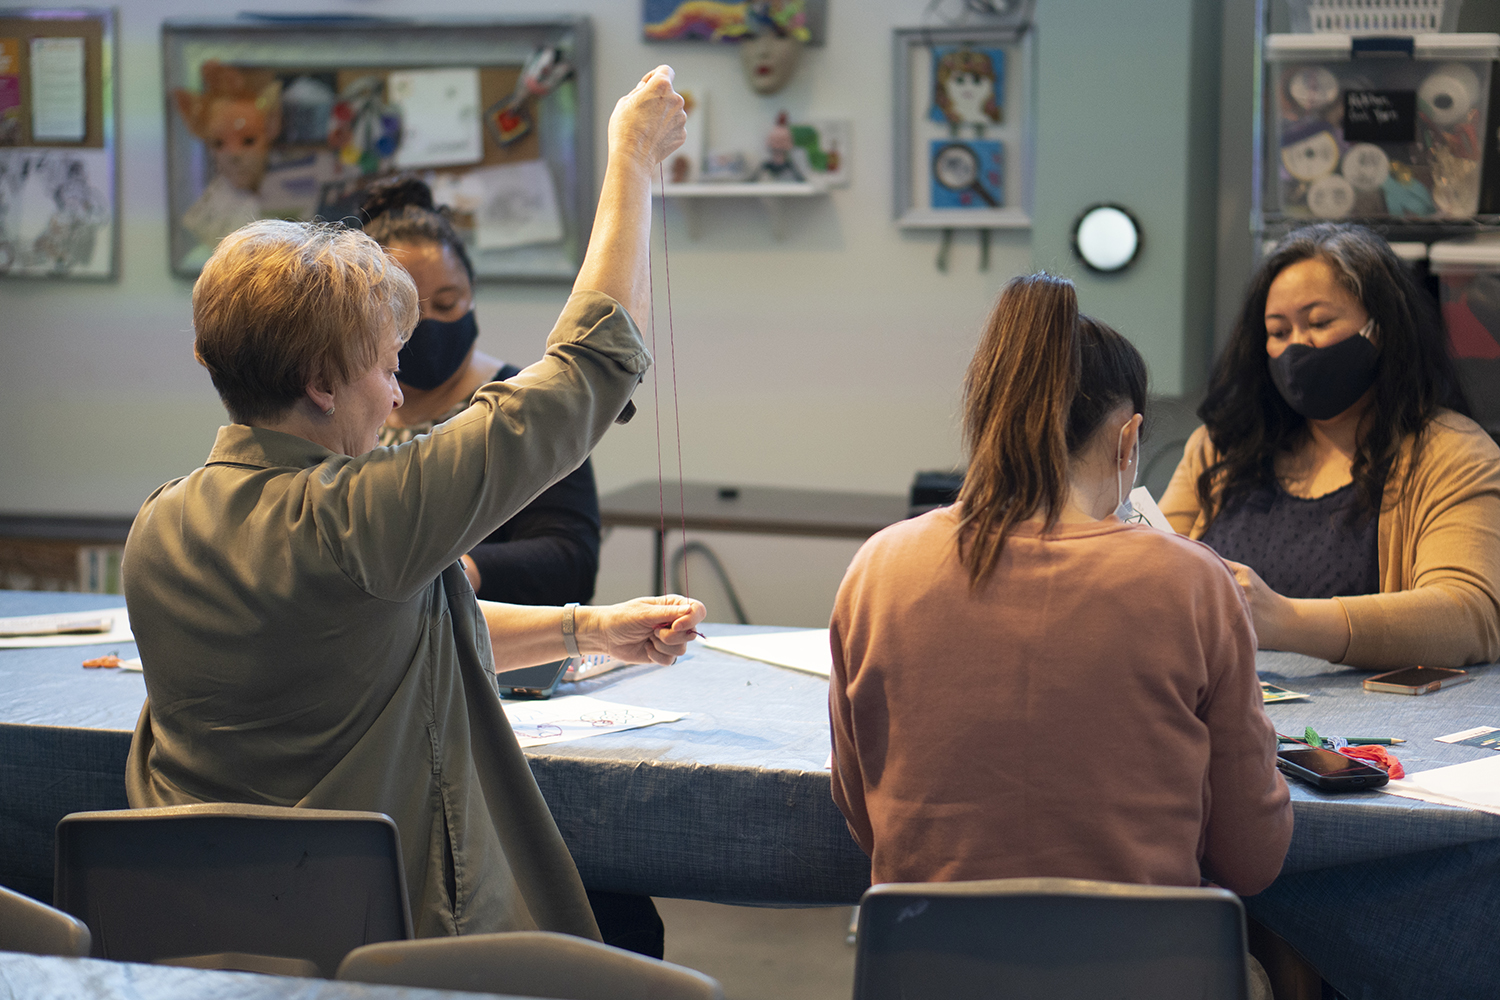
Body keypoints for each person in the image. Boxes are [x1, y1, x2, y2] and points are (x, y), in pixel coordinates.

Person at [123, 67, 703, 941]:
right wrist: (630, 156)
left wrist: (588, 630)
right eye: (387, 366)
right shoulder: (363, 519)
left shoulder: (160, 525)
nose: (398, 396)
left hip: (205, 943)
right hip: (386, 946)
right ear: (322, 382)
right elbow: (594, 364)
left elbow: (388, 634)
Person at [829, 274, 1291, 902]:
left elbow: (866, 818)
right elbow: (1250, 859)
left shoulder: (878, 569)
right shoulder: (1191, 583)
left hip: (924, 971)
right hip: (1145, 973)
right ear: (1128, 440)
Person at [1161, 223, 1500, 668]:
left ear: (1382, 329)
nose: (1297, 347)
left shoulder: (1453, 453)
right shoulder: (1221, 447)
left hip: (1375, 730)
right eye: (1278, 332)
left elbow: (1469, 616)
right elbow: (1153, 566)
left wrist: (1284, 619)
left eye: (1319, 323)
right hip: (1222, 712)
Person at [363, 176, 600, 606]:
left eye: (447, 304)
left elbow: (569, 560)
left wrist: (449, 573)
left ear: (472, 294)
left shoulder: (524, 405)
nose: (429, 324)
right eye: (408, 313)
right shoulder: (346, 412)